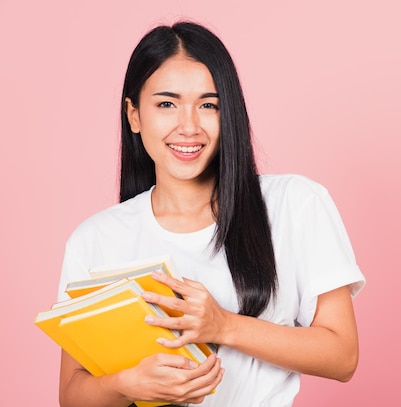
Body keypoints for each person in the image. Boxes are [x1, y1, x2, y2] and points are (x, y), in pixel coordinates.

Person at [57, 20, 365, 407]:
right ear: (133, 115)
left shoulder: (295, 203)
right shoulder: (96, 239)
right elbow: (71, 396)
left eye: (209, 105)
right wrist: (126, 384)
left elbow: (343, 357)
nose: (189, 126)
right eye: (166, 104)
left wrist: (224, 325)